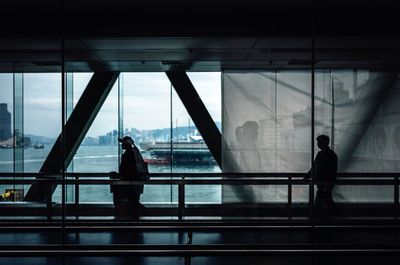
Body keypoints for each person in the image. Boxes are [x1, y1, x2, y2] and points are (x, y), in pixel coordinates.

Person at [110, 136, 148, 220]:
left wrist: (117, 175)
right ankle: (139, 217)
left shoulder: (127, 154)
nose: (121, 145)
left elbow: (125, 170)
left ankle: (147, 213)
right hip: (136, 181)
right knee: (134, 200)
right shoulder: (135, 152)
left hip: (130, 182)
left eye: (123, 143)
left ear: (127, 144)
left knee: (132, 201)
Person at [305, 135, 337, 218]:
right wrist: (308, 175)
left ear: (326, 143)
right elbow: (314, 166)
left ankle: (316, 217)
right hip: (322, 182)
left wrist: (329, 184)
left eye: (320, 142)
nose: (318, 144)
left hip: (325, 182)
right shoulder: (323, 154)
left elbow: (331, 171)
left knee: (321, 200)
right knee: (327, 200)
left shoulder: (330, 155)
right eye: (318, 142)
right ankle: (331, 217)